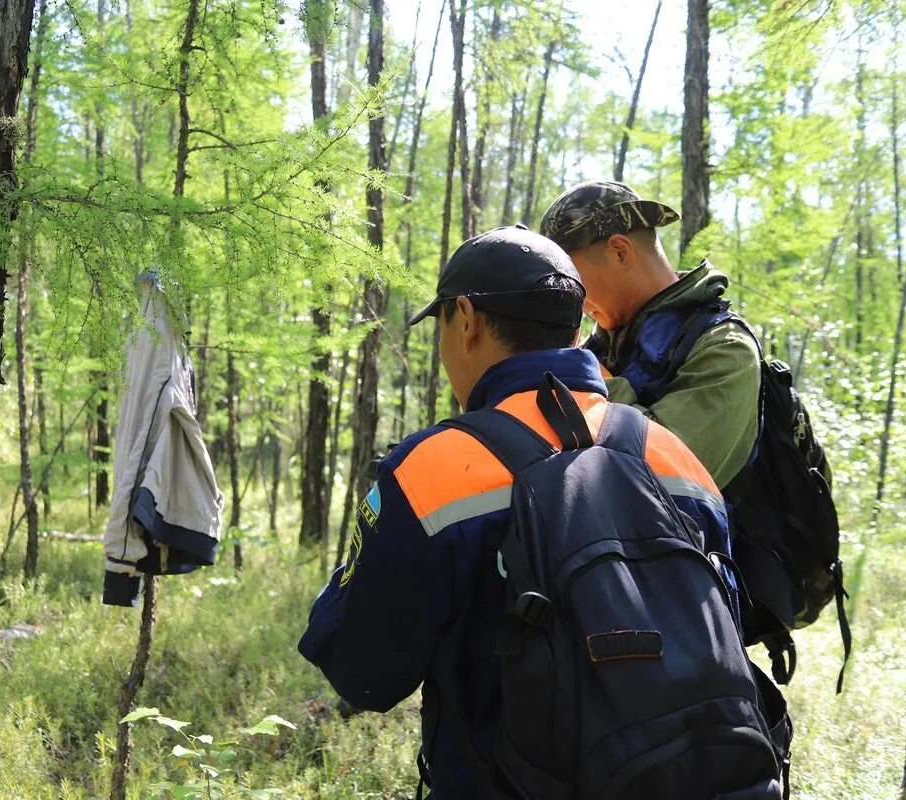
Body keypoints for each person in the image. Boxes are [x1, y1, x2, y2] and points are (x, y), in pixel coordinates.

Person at [298, 226, 774, 798]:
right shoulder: (680, 460)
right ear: (574, 331)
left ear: (467, 319)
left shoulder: (431, 471)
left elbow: (365, 677)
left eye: (443, 326)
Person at [538, 180, 761, 490]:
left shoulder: (725, 349)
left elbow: (672, 475)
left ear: (619, 251)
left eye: (572, 278)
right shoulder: (600, 346)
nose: (570, 297)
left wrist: (592, 380)